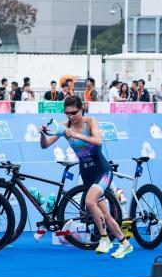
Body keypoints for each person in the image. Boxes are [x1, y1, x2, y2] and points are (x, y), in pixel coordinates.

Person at [39, 95, 133, 258]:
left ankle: (104, 238)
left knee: (89, 202)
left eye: (74, 112)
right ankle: (125, 244)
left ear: (82, 109)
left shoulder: (90, 122)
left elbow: (98, 141)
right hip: (86, 173)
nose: (71, 116)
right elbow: (45, 145)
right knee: (105, 214)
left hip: (102, 171)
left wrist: (75, 135)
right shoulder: (64, 126)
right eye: (67, 113)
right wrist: (42, 134)